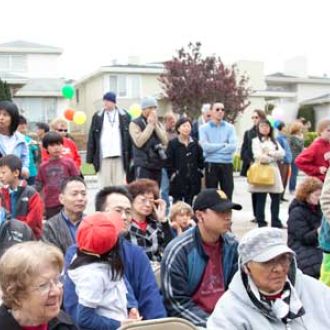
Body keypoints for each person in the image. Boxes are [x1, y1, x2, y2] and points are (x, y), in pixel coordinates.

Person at [63, 185, 167, 323]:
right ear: (99, 214)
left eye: (128, 212)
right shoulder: (79, 253)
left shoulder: (137, 254)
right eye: (118, 211)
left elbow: (151, 300)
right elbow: (74, 308)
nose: (124, 217)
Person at [207, 227, 330, 329]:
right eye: (267, 262)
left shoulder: (317, 292)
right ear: (246, 268)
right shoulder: (229, 311)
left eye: (284, 259)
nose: (279, 269)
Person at [161, 189, 241, 327]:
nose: (228, 217)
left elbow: (238, 291)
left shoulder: (232, 245)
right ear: (199, 215)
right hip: (192, 323)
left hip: (227, 319)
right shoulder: (179, 251)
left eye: (229, 211)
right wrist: (214, 324)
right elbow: (176, 303)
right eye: (221, 212)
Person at [68, 213, 141, 329]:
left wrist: (131, 306)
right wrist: (120, 324)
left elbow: (120, 280)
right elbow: (84, 318)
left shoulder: (86, 254)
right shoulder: (93, 276)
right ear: (112, 246)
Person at [0, 241, 77, 330]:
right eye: (43, 285)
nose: (56, 291)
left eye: (57, 280)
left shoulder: (65, 325)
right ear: (16, 295)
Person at [87, 91, 132, 187]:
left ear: (114, 102)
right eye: (104, 100)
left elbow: (129, 139)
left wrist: (131, 159)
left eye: (108, 101)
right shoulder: (97, 116)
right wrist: (88, 163)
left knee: (119, 186)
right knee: (105, 186)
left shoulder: (125, 116)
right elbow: (91, 140)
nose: (105, 103)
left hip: (120, 157)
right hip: (103, 157)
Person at [249, 119, 285, 228]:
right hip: (261, 171)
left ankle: (276, 221)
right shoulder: (255, 141)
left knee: (276, 198)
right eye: (262, 126)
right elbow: (258, 156)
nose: (265, 129)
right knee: (261, 198)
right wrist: (272, 157)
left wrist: (269, 153)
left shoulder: (274, 140)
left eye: (267, 126)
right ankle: (261, 222)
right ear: (258, 128)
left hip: (273, 171)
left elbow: (282, 153)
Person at [126, 179, 173, 262]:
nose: (147, 204)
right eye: (143, 200)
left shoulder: (156, 224)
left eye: (151, 200)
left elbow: (171, 248)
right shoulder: (125, 225)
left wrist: (163, 220)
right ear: (132, 200)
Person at [35, 132, 79, 219]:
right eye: (52, 145)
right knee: (54, 228)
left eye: (58, 144)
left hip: (68, 202)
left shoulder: (69, 163)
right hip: (51, 204)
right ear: (45, 148)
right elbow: (38, 186)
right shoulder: (43, 167)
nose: (56, 148)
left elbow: (77, 181)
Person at [199, 102, 237, 200]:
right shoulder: (204, 128)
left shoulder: (230, 128)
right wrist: (223, 145)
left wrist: (214, 149)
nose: (220, 112)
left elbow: (232, 147)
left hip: (227, 163)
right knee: (211, 195)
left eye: (222, 109)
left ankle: (227, 214)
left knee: (228, 193)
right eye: (217, 109)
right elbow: (206, 147)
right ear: (211, 112)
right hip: (211, 164)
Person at [287, 176, 323, 278]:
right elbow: (304, 238)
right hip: (301, 246)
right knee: (315, 266)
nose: (319, 198)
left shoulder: (319, 209)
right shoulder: (297, 212)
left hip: (316, 243)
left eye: (321, 195)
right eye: (316, 195)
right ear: (306, 195)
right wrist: (319, 231)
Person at [0, 155, 43, 238]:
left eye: (3, 172)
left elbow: (33, 221)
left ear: (16, 173)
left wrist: (15, 232)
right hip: (8, 238)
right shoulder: (2, 193)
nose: (0, 176)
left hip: (29, 239)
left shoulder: (31, 193)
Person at [42, 176, 87, 255]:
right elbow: (51, 257)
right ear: (61, 199)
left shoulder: (92, 223)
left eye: (83, 194)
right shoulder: (50, 227)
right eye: (74, 194)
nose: (80, 198)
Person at [129, 96, 168, 186]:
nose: (153, 111)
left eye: (155, 108)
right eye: (150, 108)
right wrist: (150, 125)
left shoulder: (158, 123)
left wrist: (155, 125)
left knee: (155, 192)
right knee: (143, 191)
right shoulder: (135, 123)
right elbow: (139, 142)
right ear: (143, 109)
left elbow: (165, 141)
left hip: (157, 164)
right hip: (143, 164)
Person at [166, 117, 204, 205]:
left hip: (192, 178)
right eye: (184, 126)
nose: (186, 128)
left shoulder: (195, 143)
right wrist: (173, 174)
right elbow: (168, 161)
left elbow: (200, 159)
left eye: (188, 126)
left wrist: (199, 171)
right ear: (178, 128)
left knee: (190, 203)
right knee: (177, 203)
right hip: (178, 178)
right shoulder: (173, 143)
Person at [240, 109, 267, 222]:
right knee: (255, 190)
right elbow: (244, 150)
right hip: (253, 165)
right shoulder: (248, 133)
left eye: (257, 117)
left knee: (263, 191)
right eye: (253, 117)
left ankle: (261, 215)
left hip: (265, 165)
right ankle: (256, 215)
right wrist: (250, 161)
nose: (255, 120)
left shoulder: (267, 132)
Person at [0, 100, 29, 178]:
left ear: (13, 118)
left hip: (14, 182)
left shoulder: (20, 139)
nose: (1, 118)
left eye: (5, 115)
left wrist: (24, 170)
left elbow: (24, 159)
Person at [17, 115, 39, 185]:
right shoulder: (10, 140)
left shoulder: (29, 140)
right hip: (16, 174)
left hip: (31, 172)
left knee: (32, 194)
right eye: (20, 124)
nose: (23, 125)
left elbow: (36, 156)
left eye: (24, 123)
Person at [276, 121, 293, 202]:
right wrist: (282, 159)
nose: (286, 128)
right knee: (281, 179)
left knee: (285, 179)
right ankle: (278, 197)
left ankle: (282, 196)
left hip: (287, 161)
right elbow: (279, 149)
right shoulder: (279, 138)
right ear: (281, 128)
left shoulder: (285, 138)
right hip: (282, 162)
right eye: (285, 126)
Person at [288, 121, 304, 193]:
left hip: (297, 157)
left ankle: (292, 188)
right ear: (297, 129)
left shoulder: (296, 137)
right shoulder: (293, 137)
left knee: (295, 173)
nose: (301, 129)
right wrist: (302, 139)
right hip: (294, 157)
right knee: (294, 174)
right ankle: (292, 189)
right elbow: (300, 146)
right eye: (300, 128)